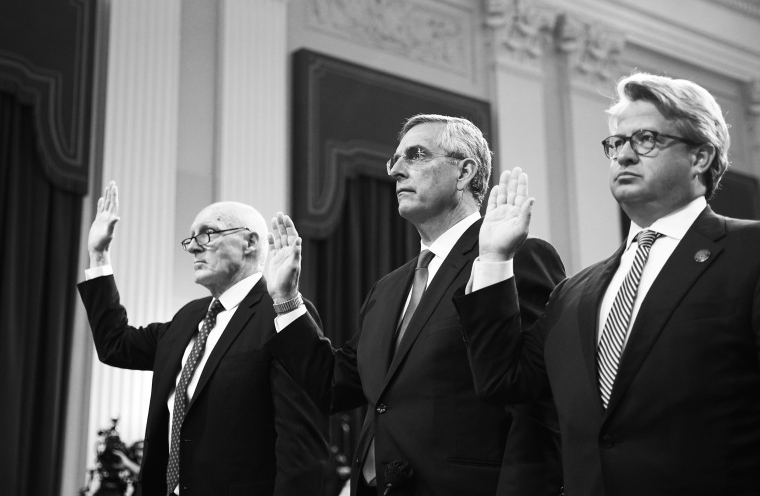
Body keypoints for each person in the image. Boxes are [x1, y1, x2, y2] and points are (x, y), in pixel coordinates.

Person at [453, 73, 760, 495]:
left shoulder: (750, 251)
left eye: (646, 139)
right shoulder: (573, 292)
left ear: (700, 157)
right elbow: (503, 382)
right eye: (616, 143)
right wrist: (494, 258)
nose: (624, 156)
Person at [264, 115, 566, 495]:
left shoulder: (517, 257)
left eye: (416, 155)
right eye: (394, 161)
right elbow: (334, 386)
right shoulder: (388, 289)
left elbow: (535, 397)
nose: (397, 171)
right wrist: (287, 300)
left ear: (464, 171)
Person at [78, 182, 330, 496]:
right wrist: (98, 254)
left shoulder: (282, 314)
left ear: (249, 242)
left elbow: (302, 451)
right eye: (190, 239)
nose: (194, 247)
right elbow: (115, 345)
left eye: (207, 234)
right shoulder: (188, 317)